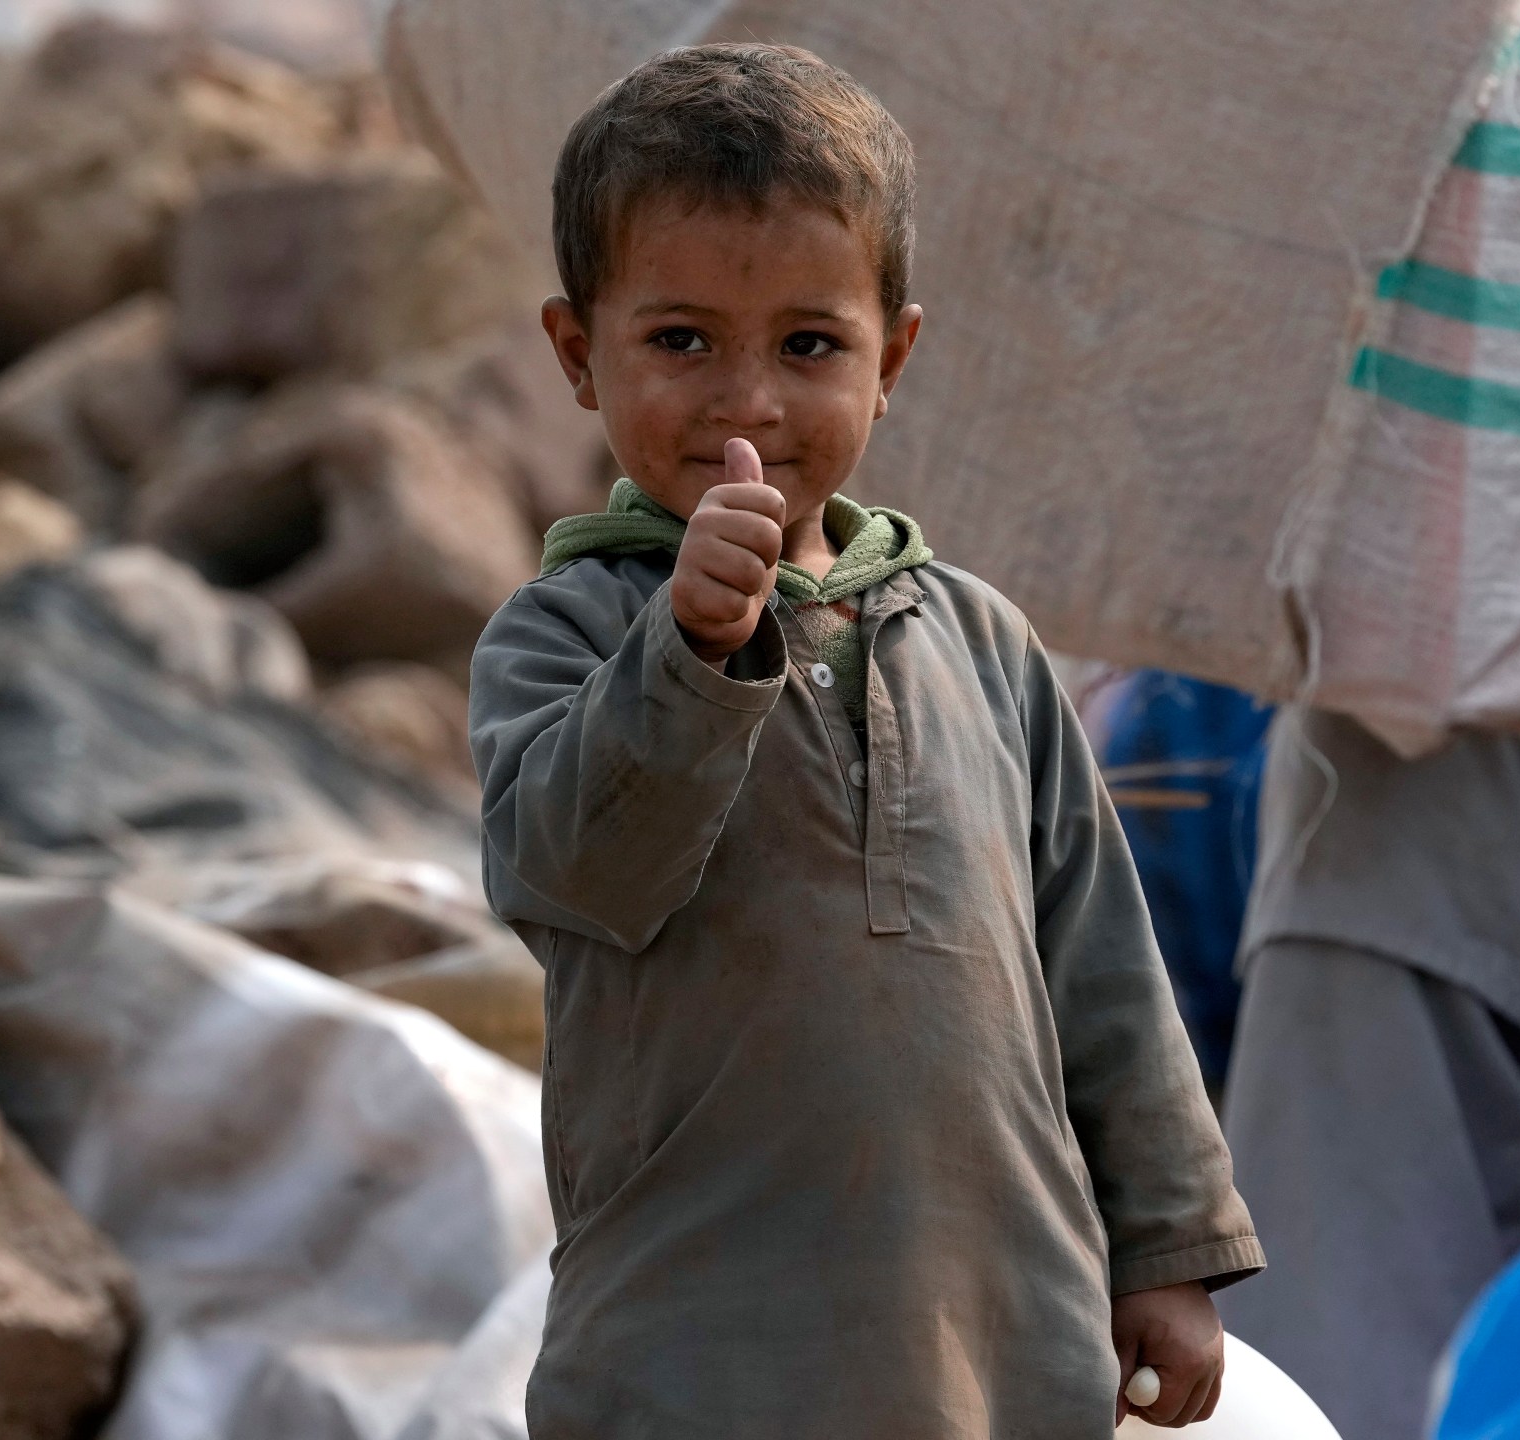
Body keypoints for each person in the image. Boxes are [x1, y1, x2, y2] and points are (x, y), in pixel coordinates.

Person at [468, 43, 1261, 1439]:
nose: (748, 402)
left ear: (892, 359)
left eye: (809, 345)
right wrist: (693, 649)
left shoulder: (984, 646)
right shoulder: (567, 632)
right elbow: (574, 876)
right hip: (694, 1345)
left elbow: (1102, 969)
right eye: (680, 340)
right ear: (576, 354)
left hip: (1000, 1333)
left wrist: (1168, 1250)